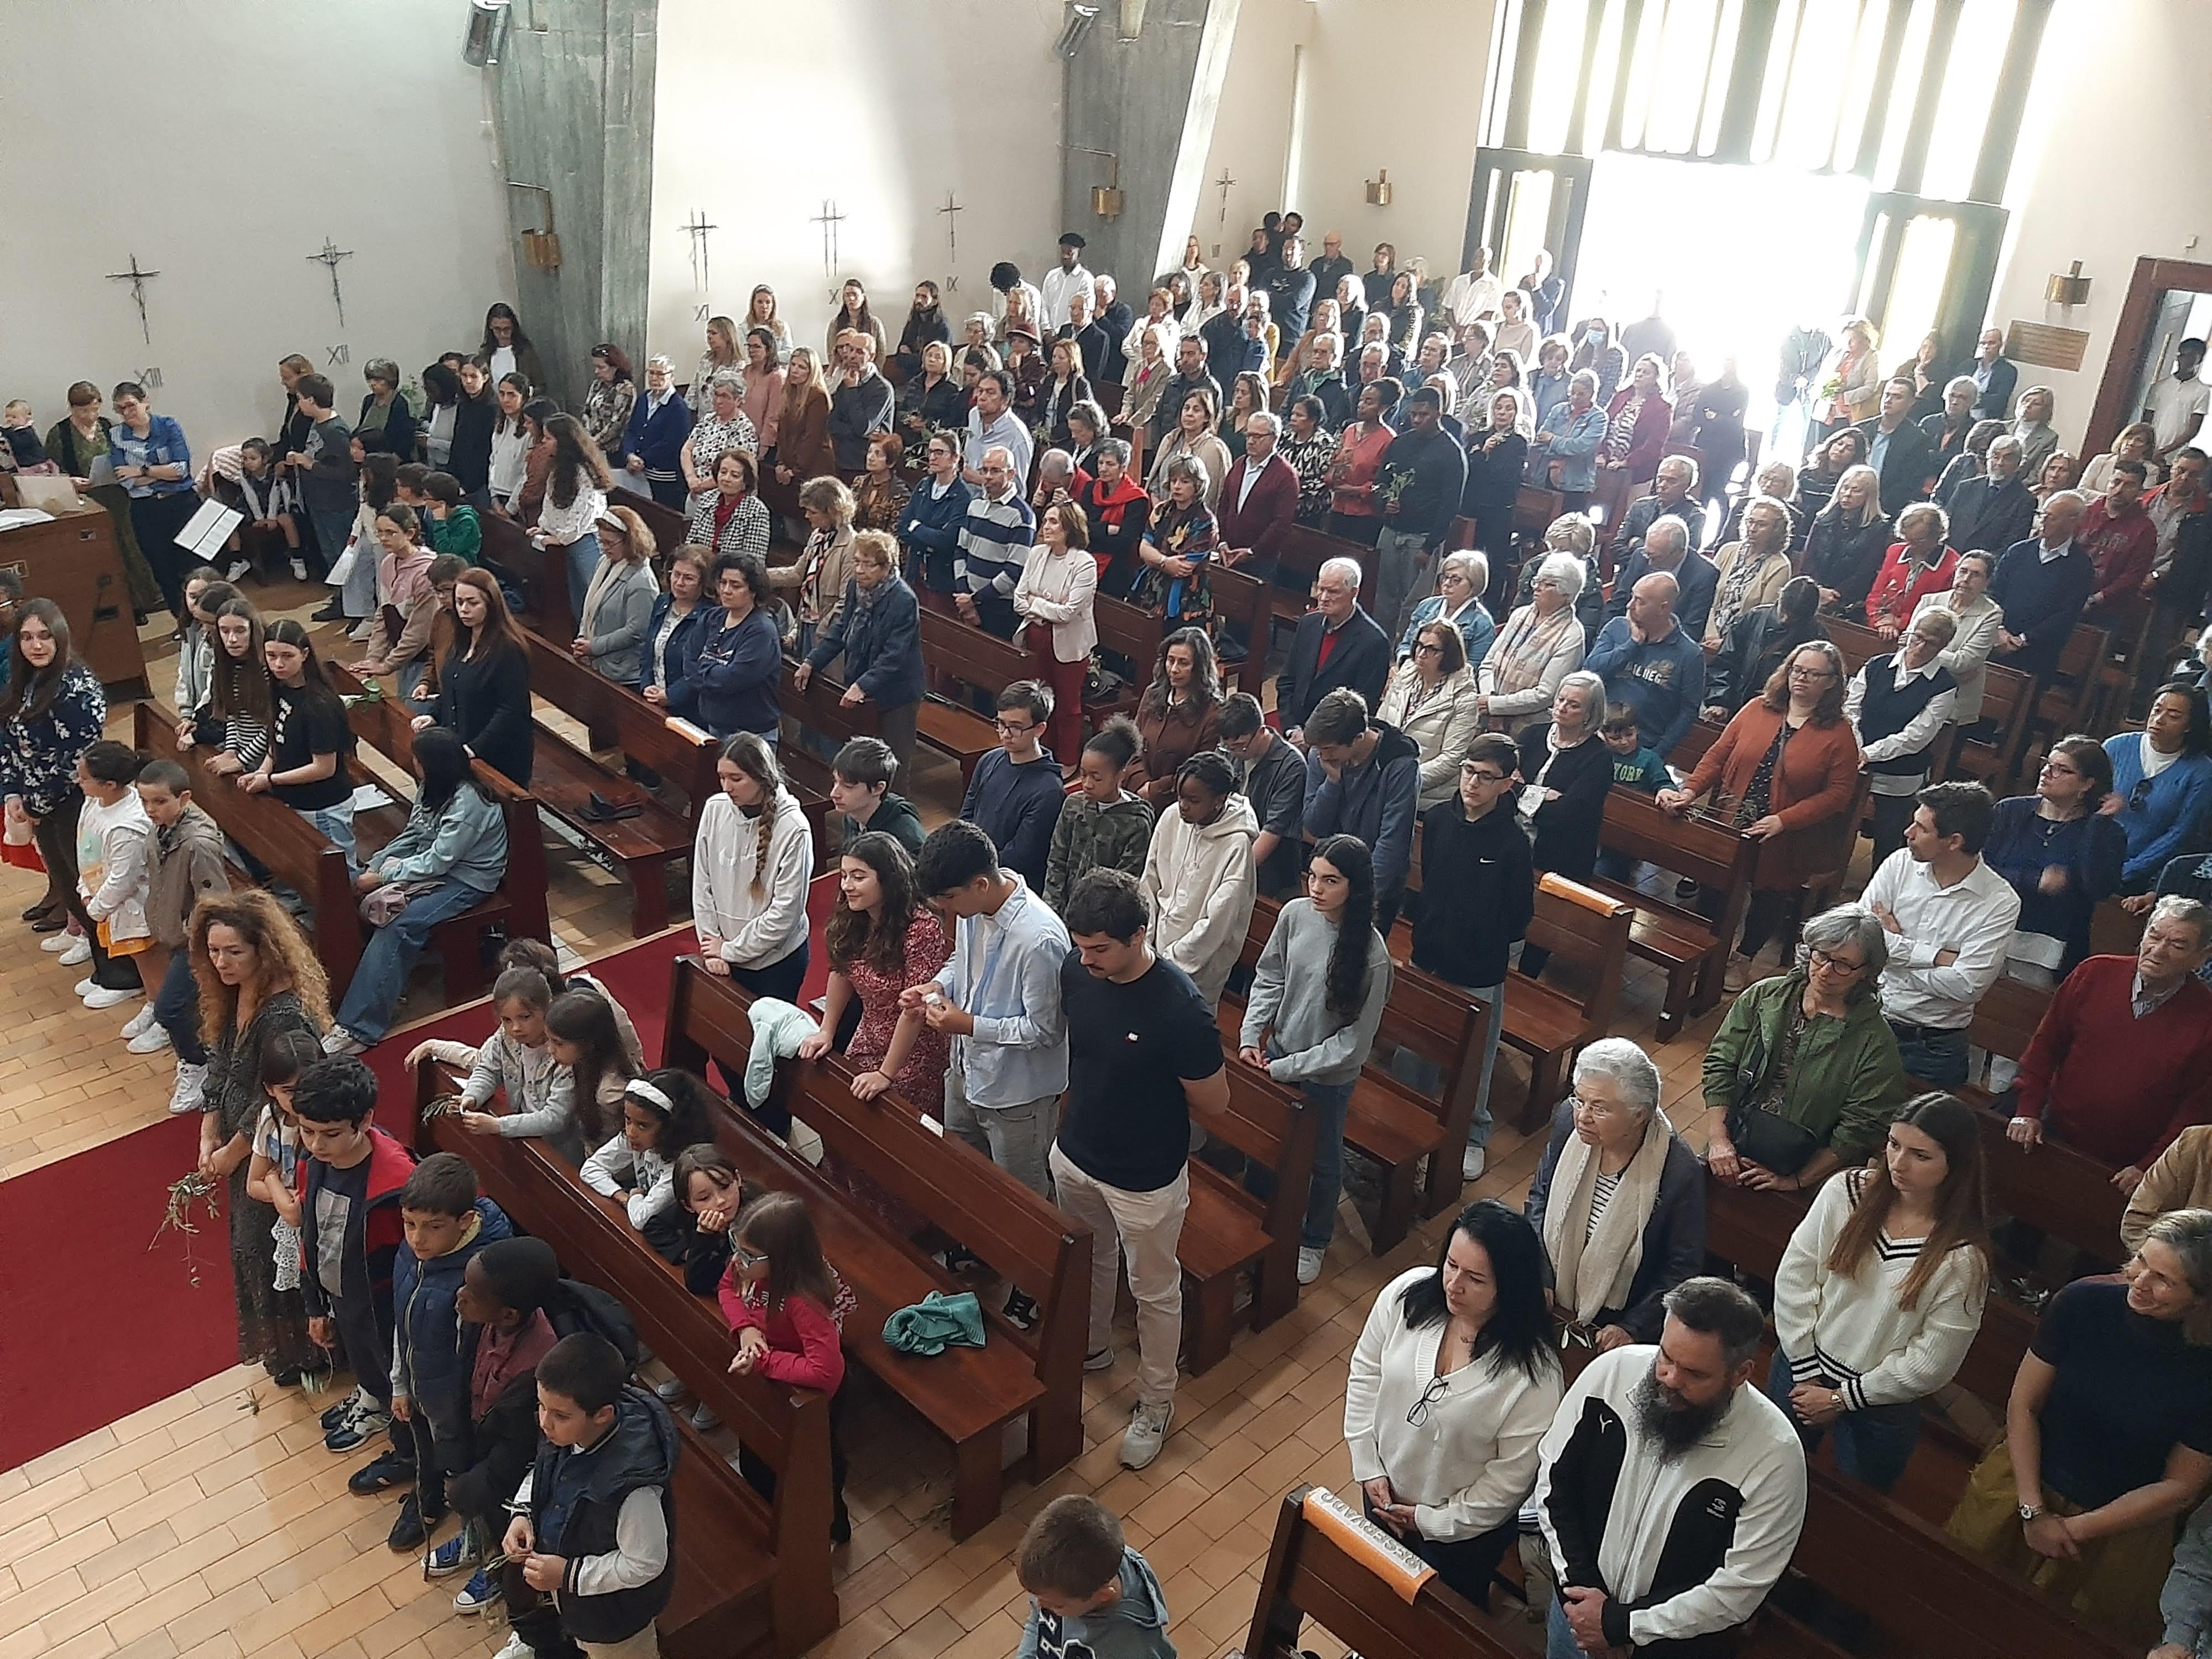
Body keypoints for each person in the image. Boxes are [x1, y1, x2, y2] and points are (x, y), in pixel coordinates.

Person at [1945, 1211, 2212, 1637]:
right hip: (2022, 1483)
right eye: (2141, 1261)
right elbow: (2024, 1405)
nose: (2139, 1281)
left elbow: (2180, 1487)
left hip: (2117, 1529)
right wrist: (2034, 1511)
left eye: (2164, 1280)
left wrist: (2071, 1530)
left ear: (2202, 1299)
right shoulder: (2084, 1302)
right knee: (1953, 1600)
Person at [1045, 869, 1228, 1467]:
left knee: (1154, 1292)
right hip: (1076, 1152)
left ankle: (1155, 1401)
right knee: (1091, 1260)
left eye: (1100, 948)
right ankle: (1093, 1346)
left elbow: (1215, 1101)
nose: (1086, 959)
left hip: (1145, 1176)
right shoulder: (1077, 970)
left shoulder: (1180, 1009)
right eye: (1081, 946)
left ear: (1138, 936)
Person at [1533, 1279, 1807, 1659]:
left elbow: (1739, 1587)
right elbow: (1554, 1482)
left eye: (1695, 1374)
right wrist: (1586, 1605)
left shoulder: (1775, 1455)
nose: (1670, 1380)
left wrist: (1621, 1626)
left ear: (1741, 1373)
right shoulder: (1612, 1373)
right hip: (1576, 1615)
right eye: (1666, 1357)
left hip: (1674, 1647)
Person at [1344, 1199, 1563, 1606]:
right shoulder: (1407, 1296)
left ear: (1510, 1287)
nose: (1454, 1285)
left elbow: (1507, 1483)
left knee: (1442, 1617)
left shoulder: (1534, 1378)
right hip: (1381, 1494)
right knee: (1377, 1597)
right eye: (1451, 1265)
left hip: (1461, 1536)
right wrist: (1368, 1466)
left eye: (1475, 1279)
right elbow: (1366, 1372)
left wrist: (1431, 1521)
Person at [1770, 1093, 1990, 1493]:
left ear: (1956, 1165)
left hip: (1881, 1400)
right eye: (1893, 1144)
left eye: (1920, 1156)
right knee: (1768, 1473)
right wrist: (1806, 1370)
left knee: (1858, 1503)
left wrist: (1842, 1399)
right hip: (1801, 1367)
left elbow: (1932, 1362)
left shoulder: (1962, 1259)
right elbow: (1794, 1278)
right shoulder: (1846, 1192)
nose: (1898, 1163)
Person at [1240, 834, 1394, 1284]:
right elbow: (1270, 976)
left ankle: (1314, 1238)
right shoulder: (1295, 914)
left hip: (1327, 1078)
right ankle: (1257, 1214)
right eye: (1313, 876)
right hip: (1278, 1054)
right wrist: (1251, 1034)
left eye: (1331, 880)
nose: (1317, 888)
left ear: (1354, 887)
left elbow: (1353, 1044)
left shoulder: (1372, 956)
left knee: (1323, 1160)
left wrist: (1287, 1067)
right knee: (1265, 1142)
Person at [1660, 641, 1860, 987]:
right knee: (1715, 885)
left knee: (1769, 897)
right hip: (1732, 815)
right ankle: (1707, 951)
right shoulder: (1757, 708)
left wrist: (1785, 820)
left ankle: (1744, 957)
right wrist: (1690, 791)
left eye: (1813, 674)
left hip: (1786, 832)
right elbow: (1718, 755)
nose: (1802, 678)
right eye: (1797, 670)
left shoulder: (1839, 734)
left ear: (1832, 682)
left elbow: (1839, 794)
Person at [192, 892, 331, 1392]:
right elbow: (221, 1067)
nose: (221, 962)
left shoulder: (282, 1014)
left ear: (263, 950)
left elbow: (275, 1099)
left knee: (274, 1247)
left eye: (234, 952)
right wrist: (208, 1131)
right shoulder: (234, 995)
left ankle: (306, 1351)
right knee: (251, 1245)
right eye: (214, 951)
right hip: (239, 1141)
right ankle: (282, 1349)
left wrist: (232, 1154)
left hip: (275, 1145)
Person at [907, 821, 1072, 1234]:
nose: (945, 909)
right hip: (965, 1073)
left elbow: (1046, 1030)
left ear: (981, 884)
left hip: (1017, 1095)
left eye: (948, 898)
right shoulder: (972, 908)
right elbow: (962, 964)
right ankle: (979, 1243)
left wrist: (968, 1025)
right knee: (966, 1173)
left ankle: (1025, 1267)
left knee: (1023, 1198)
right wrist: (937, 985)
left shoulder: (1039, 939)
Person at [322, 727, 509, 1052]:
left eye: (418, 760)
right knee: (362, 898)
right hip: (435, 867)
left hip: (468, 880)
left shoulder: (468, 806)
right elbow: (414, 834)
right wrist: (377, 866)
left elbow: (439, 861)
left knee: (398, 924)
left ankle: (359, 1028)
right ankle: (377, 993)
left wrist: (384, 877)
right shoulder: (433, 787)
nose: (414, 764)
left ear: (433, 764)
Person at [2004, 897, 2212, 1185]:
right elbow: (2045, 1047)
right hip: (2053, 1129)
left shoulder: (2206, 1018)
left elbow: (2195, 1111)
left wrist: (2149, 1167)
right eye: (2154, 936)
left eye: (2177, 945)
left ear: (2201, 957)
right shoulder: (2095, 973)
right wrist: (2028, 1111)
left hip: (2130, 1163)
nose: (2158, 951)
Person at [1703, 904, 1910, 1192]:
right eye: (1821, 955)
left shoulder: (1874, 1040)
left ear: (1866, 972)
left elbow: (1861, 1126)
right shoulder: (1765, 995)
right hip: (1732, 1145)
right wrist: (1718, 1140)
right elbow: (1721, 1065)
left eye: (1843, 965)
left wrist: (1796, 1181)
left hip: (1807, 1172)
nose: (1825, 971)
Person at [500, 1332, 680, 1659]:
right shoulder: (567, 1430)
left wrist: (568, 1575)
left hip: (613, 1618)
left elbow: (646, 1563)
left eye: (559, 1415)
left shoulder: (633, 1489)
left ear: (603, 1415)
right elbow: (544, 1469)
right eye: (541, 1406)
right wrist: (522, 1512)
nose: (544, 1423)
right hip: (572, 1593)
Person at [1525, 1035, 1705, 1355]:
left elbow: (1681, 1266)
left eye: (1600, 1108)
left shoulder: (1678, 1172)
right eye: (1580, 1100)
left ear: (1639, 1116)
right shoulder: (1569, 1121)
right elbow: (1540, 1197)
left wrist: (1633, 1327)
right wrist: (1540, 1275)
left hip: (1617, 1317)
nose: (1583, 1116)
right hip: (1550, 1291)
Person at [291, 1054, 420, 1485]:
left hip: (382, 1298)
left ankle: (396, 1429)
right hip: (340, 1289)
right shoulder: (314, 1160)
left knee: (386, 1362)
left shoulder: (396, 1182)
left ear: (365, 1121)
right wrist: (315, 1304)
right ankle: (371, 1396)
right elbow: (310, 1232)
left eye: (330, 1134)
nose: (316, 1144)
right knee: (360, 1353)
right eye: (307, 1131)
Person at [1410, 732, 1535, 1177]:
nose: (1473, 783)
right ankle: (1412, 1116)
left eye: (1486, 776)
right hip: (1429, 953)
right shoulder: (1438, 819)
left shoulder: (1513, 842)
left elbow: (1519, 914)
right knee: (1415, 1044)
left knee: (1474, 1059)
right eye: (1468, 771)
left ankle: (1472, 1133)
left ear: (1506, 784)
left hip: (1478, 965)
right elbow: (1430, 879)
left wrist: (1481, 937)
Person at [1858, 782, 2020, 1088]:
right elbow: (1861, 937)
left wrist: (1893, 953)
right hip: (1867, 1016)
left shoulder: (2000, 902)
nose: (1908, 833)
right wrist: (1935, 958)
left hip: (1931, 1048)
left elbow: (1967, 986)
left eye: (1921, 828)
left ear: (1954, 841)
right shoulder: (1899, 864)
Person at [804, 827, 952, 1111]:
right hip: (868, 1036)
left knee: (884, 1117)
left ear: (889, 879)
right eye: (844, 876)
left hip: (913, 1050)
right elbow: (841, 969)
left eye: (858, 877)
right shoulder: (854, 916)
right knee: (843, 1103)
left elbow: (916, 1009)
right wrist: (826, 1031)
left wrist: (886, 1074)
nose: (847, 886)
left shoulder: (921, 929)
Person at [1984, 737, 2128, 1003]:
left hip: (2050, 946)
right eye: (2048, 764)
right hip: (1989, 929)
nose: (2047, 773)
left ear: (2087, 784)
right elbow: (1978, 868)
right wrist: (2033, 880)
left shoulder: (2107, 834)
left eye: (2063, 770)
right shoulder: (2010, 811)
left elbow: (2098, 888)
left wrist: (2097, 825)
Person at [693, 733, 815, 1008]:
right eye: (722, 777)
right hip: (722, 953)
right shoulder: (714, 809)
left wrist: (730, 950)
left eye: (736, 779)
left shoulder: (794, 828)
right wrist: (712, 945)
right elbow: (702, 882)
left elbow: (785, 912)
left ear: (762, 777)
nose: (727, 787)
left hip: (776, 963)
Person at [1136, 752, 1258, 1010]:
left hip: (1199, 969)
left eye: (1193, 800)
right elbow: (1150, 881)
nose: (1183, 806)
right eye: (1180, 796)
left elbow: (1219, 921)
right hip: (1153, 951)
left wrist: (1170, 962)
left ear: (1219, 800)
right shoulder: (1172, 817)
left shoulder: (1237, 844)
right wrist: (1147, 944)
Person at [801, 529, 925, 778]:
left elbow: (894, 656)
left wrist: (863, 686)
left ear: (887, 567)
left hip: (897, 692)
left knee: (894, 762)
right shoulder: (855, 587)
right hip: (862, 678)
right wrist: (812, 661)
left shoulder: (903, 600)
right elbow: (842, 628)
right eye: (857, 562)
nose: (859, 570)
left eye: (868, 565)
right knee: (861, 758)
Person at [1847, 609, 1963, 864]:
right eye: (1917, 637)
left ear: (1943, 646)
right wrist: (1855, 746)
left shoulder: (1944, 686)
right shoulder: (1877, 665)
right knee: (1835, 824)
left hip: (1899, 773)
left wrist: (1870, 753)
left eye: (1930, 643)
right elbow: (1851, 709)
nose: (1919, 647)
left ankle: (1883, 880)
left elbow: (1917, 736)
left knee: (1889, 838)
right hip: (1853, 760)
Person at [242, 619, 358, 869]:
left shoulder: (319, 705)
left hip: (324, 807)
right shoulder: (280, 687)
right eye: (271, 656)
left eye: (287, 656)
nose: (278, 664)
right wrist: (262, 771)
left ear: (304, 654)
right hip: (294, 799)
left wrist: (271, 780)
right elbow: (277, 739)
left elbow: (323, 768)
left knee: (338, 875)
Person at [1014, 1495, 1175, 1659]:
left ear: (1104, 1595)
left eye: (1057, 1606)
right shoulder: (1056, 1583)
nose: (1039, 1604)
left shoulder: (1133, 1648)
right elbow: (1038, 1621)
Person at [418, 569, 533, 786]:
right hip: (462, 742)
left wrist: (474, 749)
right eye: (459, 602)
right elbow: (452, 685)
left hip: (498, 753)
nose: (464, 609)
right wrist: (434, 715)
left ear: (491, 604)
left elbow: (511, 710)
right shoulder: (461, 640)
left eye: (473, 603)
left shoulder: (508, 649)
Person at [1371, 387, 1468, 639]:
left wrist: (1430, 546)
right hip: (1391, 530)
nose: (1416, 420)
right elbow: (1380, 481)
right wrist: (1384, 501)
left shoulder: (1451, 453)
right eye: (1413, 414)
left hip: (1422, 538)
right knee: (1383, 599)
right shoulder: (1400, 443)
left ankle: (1405, 652)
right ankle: (1378, 647)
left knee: (1414, 605)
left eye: (1423, 415)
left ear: (1438, 413)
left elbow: (1450, 506)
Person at [1012, 503, 1098, 770]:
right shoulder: (1037, 553)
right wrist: (1048, 605)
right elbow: (1018, 600)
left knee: (1067, 704)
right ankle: (1042, 754)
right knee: (1038, 701)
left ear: (1069, 528)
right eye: (1046, 521)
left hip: (1069, 643)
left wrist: (1036, 602)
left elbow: (1068, 613)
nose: (1046, 527)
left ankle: (1067, 761)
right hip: (1036, 637)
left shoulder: (1084, 564)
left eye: (1053, 522)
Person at [1586, 571, 1705, 760]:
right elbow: (1590, 670)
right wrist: (1631, 645)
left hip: (1642, 749)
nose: (1629, 605)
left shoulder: (1690, 654)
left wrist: (1656, 754)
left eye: (1639, 601)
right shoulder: (1617, 627)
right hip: (1593, 737)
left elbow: (1688, 712)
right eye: (1632, 597)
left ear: (1663, 608)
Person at [2106, 683, 2212, 893]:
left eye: (2173, 716)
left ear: (2190, 726)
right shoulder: (2116, 747)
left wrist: (2128, 871)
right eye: (2157, 710)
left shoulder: (2201, 772)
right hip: (2089, 859)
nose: (2159, 720)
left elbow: (2181, 834)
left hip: (2144, 876)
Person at [106, 380, 199, 622]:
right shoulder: (116, 435)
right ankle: (183, 622)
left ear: (145, 401)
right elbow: (124, 479)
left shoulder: (168, 426)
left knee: (193, 566)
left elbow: (181, 470)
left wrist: (142, 471)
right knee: (162, 569)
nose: (127, 413)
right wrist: (161, 472)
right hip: (146, 510)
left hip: (181, 503)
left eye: (131, 406)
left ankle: (206, 619)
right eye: (120, 409)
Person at [1277, 556, 1391, 742]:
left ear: (1354, 592)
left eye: (1333, 592)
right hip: (1293, 733)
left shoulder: (1374, 642)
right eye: (1321, 589)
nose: (1323, 598)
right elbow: (1287, 681)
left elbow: (1361, 709)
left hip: (1334, 742)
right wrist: (1292, 729)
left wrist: (1312, 737)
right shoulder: (1308, 624)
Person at [1378, 619, 1483, 810]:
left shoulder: (1464, 697)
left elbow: (1452, 759)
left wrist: (1402, 780)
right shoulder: (1405, 676)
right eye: (1419, 645)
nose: (1421, 654)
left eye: (1432, 649)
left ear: (1449, 655)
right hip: (1383, 782)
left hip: (1426, 797)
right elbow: (1380, 727)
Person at [1481, 551, 1588, 735]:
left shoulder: (1572, 635)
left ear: (1567, 594)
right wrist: (1489, 698)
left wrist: (1495, 705)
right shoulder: (1519, 615)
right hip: (1487, 715)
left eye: (1548, 584)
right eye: (1538, 581)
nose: (1538, 588)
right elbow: (1487, 664)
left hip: (1528, 729)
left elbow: (1546, 694)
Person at [682, 551, 781, 743]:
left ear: (753, 591)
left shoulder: (762, 632)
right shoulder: (712, 618)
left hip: (750, 736)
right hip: (712, 726)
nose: (726, 590)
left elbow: (733, 680)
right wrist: (712, 672)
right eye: (723, 583)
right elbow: (689, 662)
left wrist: (703, 668)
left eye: (736, 585)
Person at [1909, 549, 2004, 728]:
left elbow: (1964, 662)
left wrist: (1925, 649)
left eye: (1976, 575)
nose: (1966, 579)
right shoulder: (1929, 602)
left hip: (1956, 700)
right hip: (1914, 689)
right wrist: (1945, 658)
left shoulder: (1991, 614)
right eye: (1963, 571)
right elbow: (1907, 645)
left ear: (1987, 582)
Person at [956, 444, 1035, 639]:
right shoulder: (976, 504)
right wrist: (964, 596)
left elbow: (1014, 571)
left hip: (998, 608)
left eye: (995, 471)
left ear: (1011, 474)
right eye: (984, 470)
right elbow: (960, 551)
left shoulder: (1022, 516)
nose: (988, 476)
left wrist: (976, 600)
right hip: (965, 599)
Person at [1703, 497, 1796, 655]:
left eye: (1762, 525)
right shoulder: (1727, 551)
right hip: (1705, 630)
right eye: (1750, 521)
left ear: (1777, 530)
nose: (1752, 529)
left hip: (1739, 644)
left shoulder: (1780, 566)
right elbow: (1706, 596)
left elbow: (1762, 619)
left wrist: (1726, 642)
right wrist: (1711, 634)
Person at [1804, 463, 1895, 620]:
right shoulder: (1822, 519)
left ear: (1869, 495)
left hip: (1848, 601)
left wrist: (1835, 595)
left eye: (1856, 490)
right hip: (1813, 592)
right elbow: (1808, 560)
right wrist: (1817, 590)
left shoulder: (1879, 528)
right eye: (1845, 488)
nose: (1847, 494)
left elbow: (1865, 572)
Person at [828, 736, 925, 857]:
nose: (834, 794)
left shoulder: (906, 832)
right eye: (835, 782)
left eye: (848, 787)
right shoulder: (852, 815)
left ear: (878, 788)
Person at [1598, 354, 1673, 488]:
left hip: (1637, 473)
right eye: (1638, 370)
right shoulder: (1620, 396)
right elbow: (1603, 426)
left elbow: (1654, 444)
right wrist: (1601, 454)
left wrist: (1626, 462)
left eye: (1646, 373)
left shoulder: (1662, 408)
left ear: (1656, 378)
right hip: (1604, 464)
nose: (1639, 375)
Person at [685, 447, 772, 562]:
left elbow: (753, 562)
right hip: (702, 568)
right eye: (723, 472)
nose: (726, 479)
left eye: (735, 475)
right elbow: (691, 544)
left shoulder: (757, 512)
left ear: (746, 482)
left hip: (734, 571)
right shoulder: (706, 499)